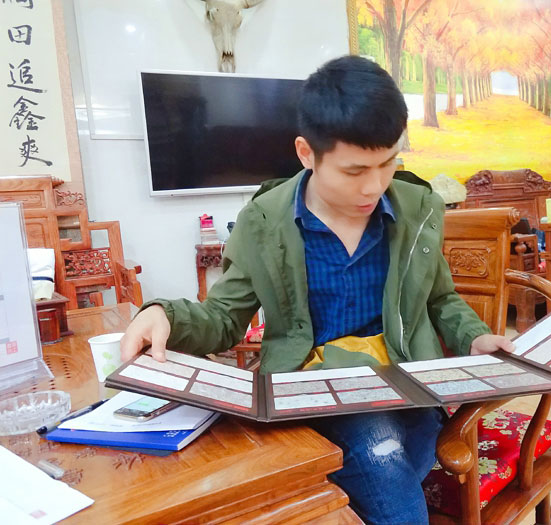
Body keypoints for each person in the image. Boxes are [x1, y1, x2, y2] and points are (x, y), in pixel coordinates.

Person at [121, 55, 514, 524]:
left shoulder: (417, 207)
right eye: (354, 171)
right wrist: (165, 313)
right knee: (379, 451)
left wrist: (474, 337)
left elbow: (439, 297)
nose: (375, 186)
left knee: (380, 462)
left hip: (407, 384)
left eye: (388, 162)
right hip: (314, 390)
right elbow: (225, 318)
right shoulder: (265, 221)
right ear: (307, 153)